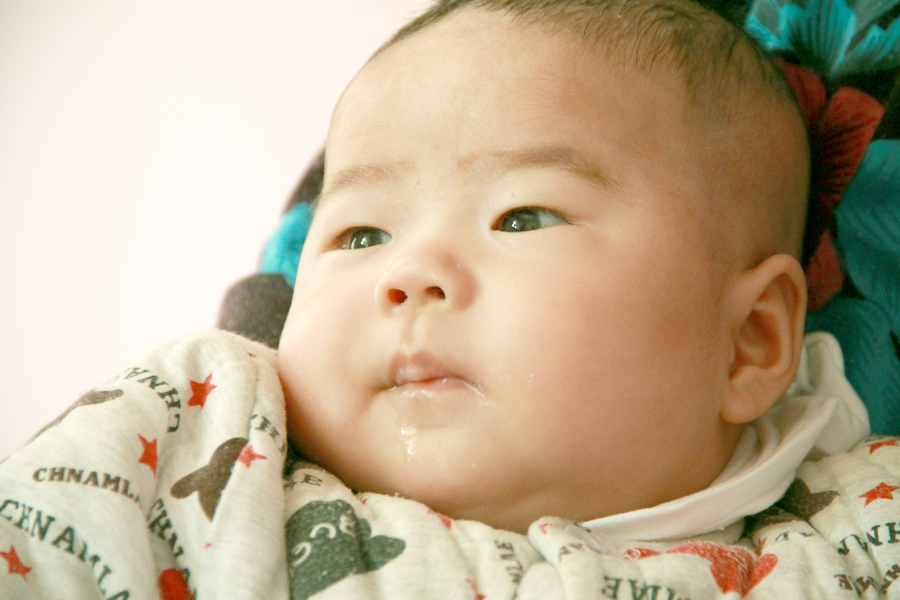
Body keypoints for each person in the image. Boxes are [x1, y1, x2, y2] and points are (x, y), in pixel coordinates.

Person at [0, 1, 891, 598]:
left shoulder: (861, 532)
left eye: (522, 216)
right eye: (360, 236)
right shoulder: (206, 429)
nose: (407, 273)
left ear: (749, 341)